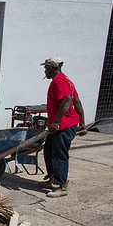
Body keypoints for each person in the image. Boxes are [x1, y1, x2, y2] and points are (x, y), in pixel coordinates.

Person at [38, 56, 88, 198]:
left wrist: (57, 122)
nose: (44, 71)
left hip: (64, 125)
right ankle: (53, 179)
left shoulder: (59, 81)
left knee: (59, 154)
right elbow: (77, 101)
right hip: (62, 124)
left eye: (45, 68)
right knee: (48, 150)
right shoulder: (66, 80)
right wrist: (82, 123)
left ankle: (61, 186)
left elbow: (68, 99)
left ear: (51, 68)